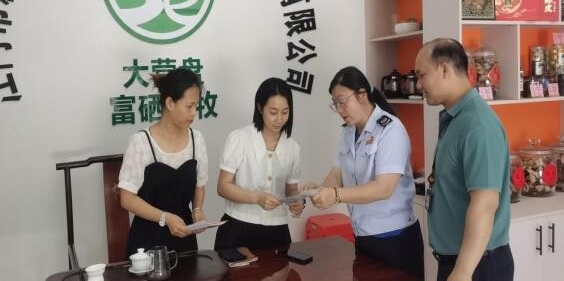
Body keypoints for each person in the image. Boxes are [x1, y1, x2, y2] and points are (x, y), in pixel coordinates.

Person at [306, 66, 424, 278]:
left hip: (394, 239)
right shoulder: (348, 131)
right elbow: (337, 173)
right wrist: (319, 191)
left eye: (343, 101)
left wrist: (335, 195)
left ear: (362, 95)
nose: (339, 109)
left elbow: (383, 188)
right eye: (335, 104)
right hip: (363, 236)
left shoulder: (390, 129)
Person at [415, 38, 513, 281]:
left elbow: (485, 202)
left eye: (421, 75)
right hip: (460, 261)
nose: (418, 85)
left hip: (477, 265)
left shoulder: (477, 125)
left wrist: (462, 271)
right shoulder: (457, 118)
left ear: (444, 69)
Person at [117, 68, 208, 257]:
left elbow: (199, 184)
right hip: (147, 243)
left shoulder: (196, 139)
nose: (194, 113)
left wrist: (197, 209)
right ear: (170, 103)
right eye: (189, 106)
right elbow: (126, 198)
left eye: (196, 106)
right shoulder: (141, 142)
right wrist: (165, 218)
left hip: (184, 237)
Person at [214, 78, 304, 250]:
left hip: (277, 229)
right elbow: (223, 187)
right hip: (238, 227)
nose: (279, 119)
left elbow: (291, 188)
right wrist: (256, 198)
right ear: (260, 108)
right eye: (273, 112)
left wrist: (296, 201)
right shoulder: (240, 139)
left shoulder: (293, 147)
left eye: (285, 112)